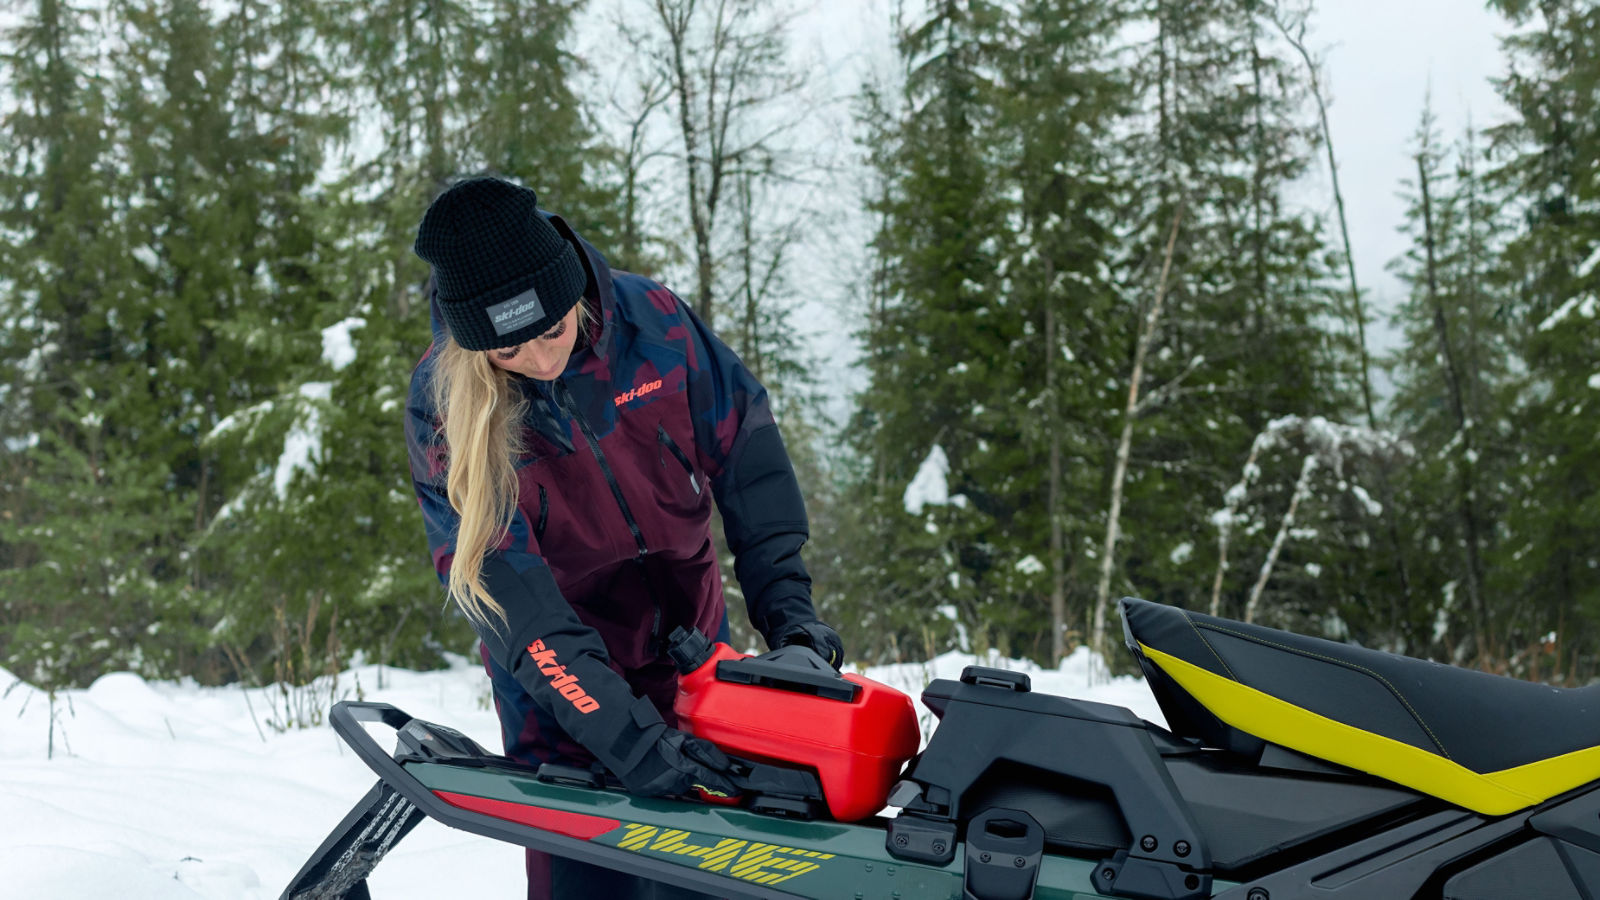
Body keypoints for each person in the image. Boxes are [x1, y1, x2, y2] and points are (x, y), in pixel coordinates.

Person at [403, 176, 843, 899]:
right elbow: (510, 592)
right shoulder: (445, 406)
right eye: (511, 351)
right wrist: (627, 739)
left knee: (711, 874)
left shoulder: (656, 325)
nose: (543, 362)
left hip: (695, 653)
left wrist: (791, 617)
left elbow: (748, 455)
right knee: (590, 880)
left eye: (552, 332)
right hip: (560, 684)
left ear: (572, 292)